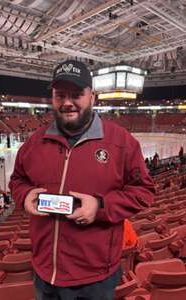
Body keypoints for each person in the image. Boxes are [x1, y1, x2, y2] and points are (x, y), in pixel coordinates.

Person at [9, 59, 154, 300]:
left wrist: (100, 206)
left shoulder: (122, 142)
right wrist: (24, 195)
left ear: (92, 97)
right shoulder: (34, 142)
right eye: (60, 95)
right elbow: (17, 180)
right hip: (45, 273)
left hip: (95, 278)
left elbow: (144, 192)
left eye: (76, 94)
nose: (67, 102)